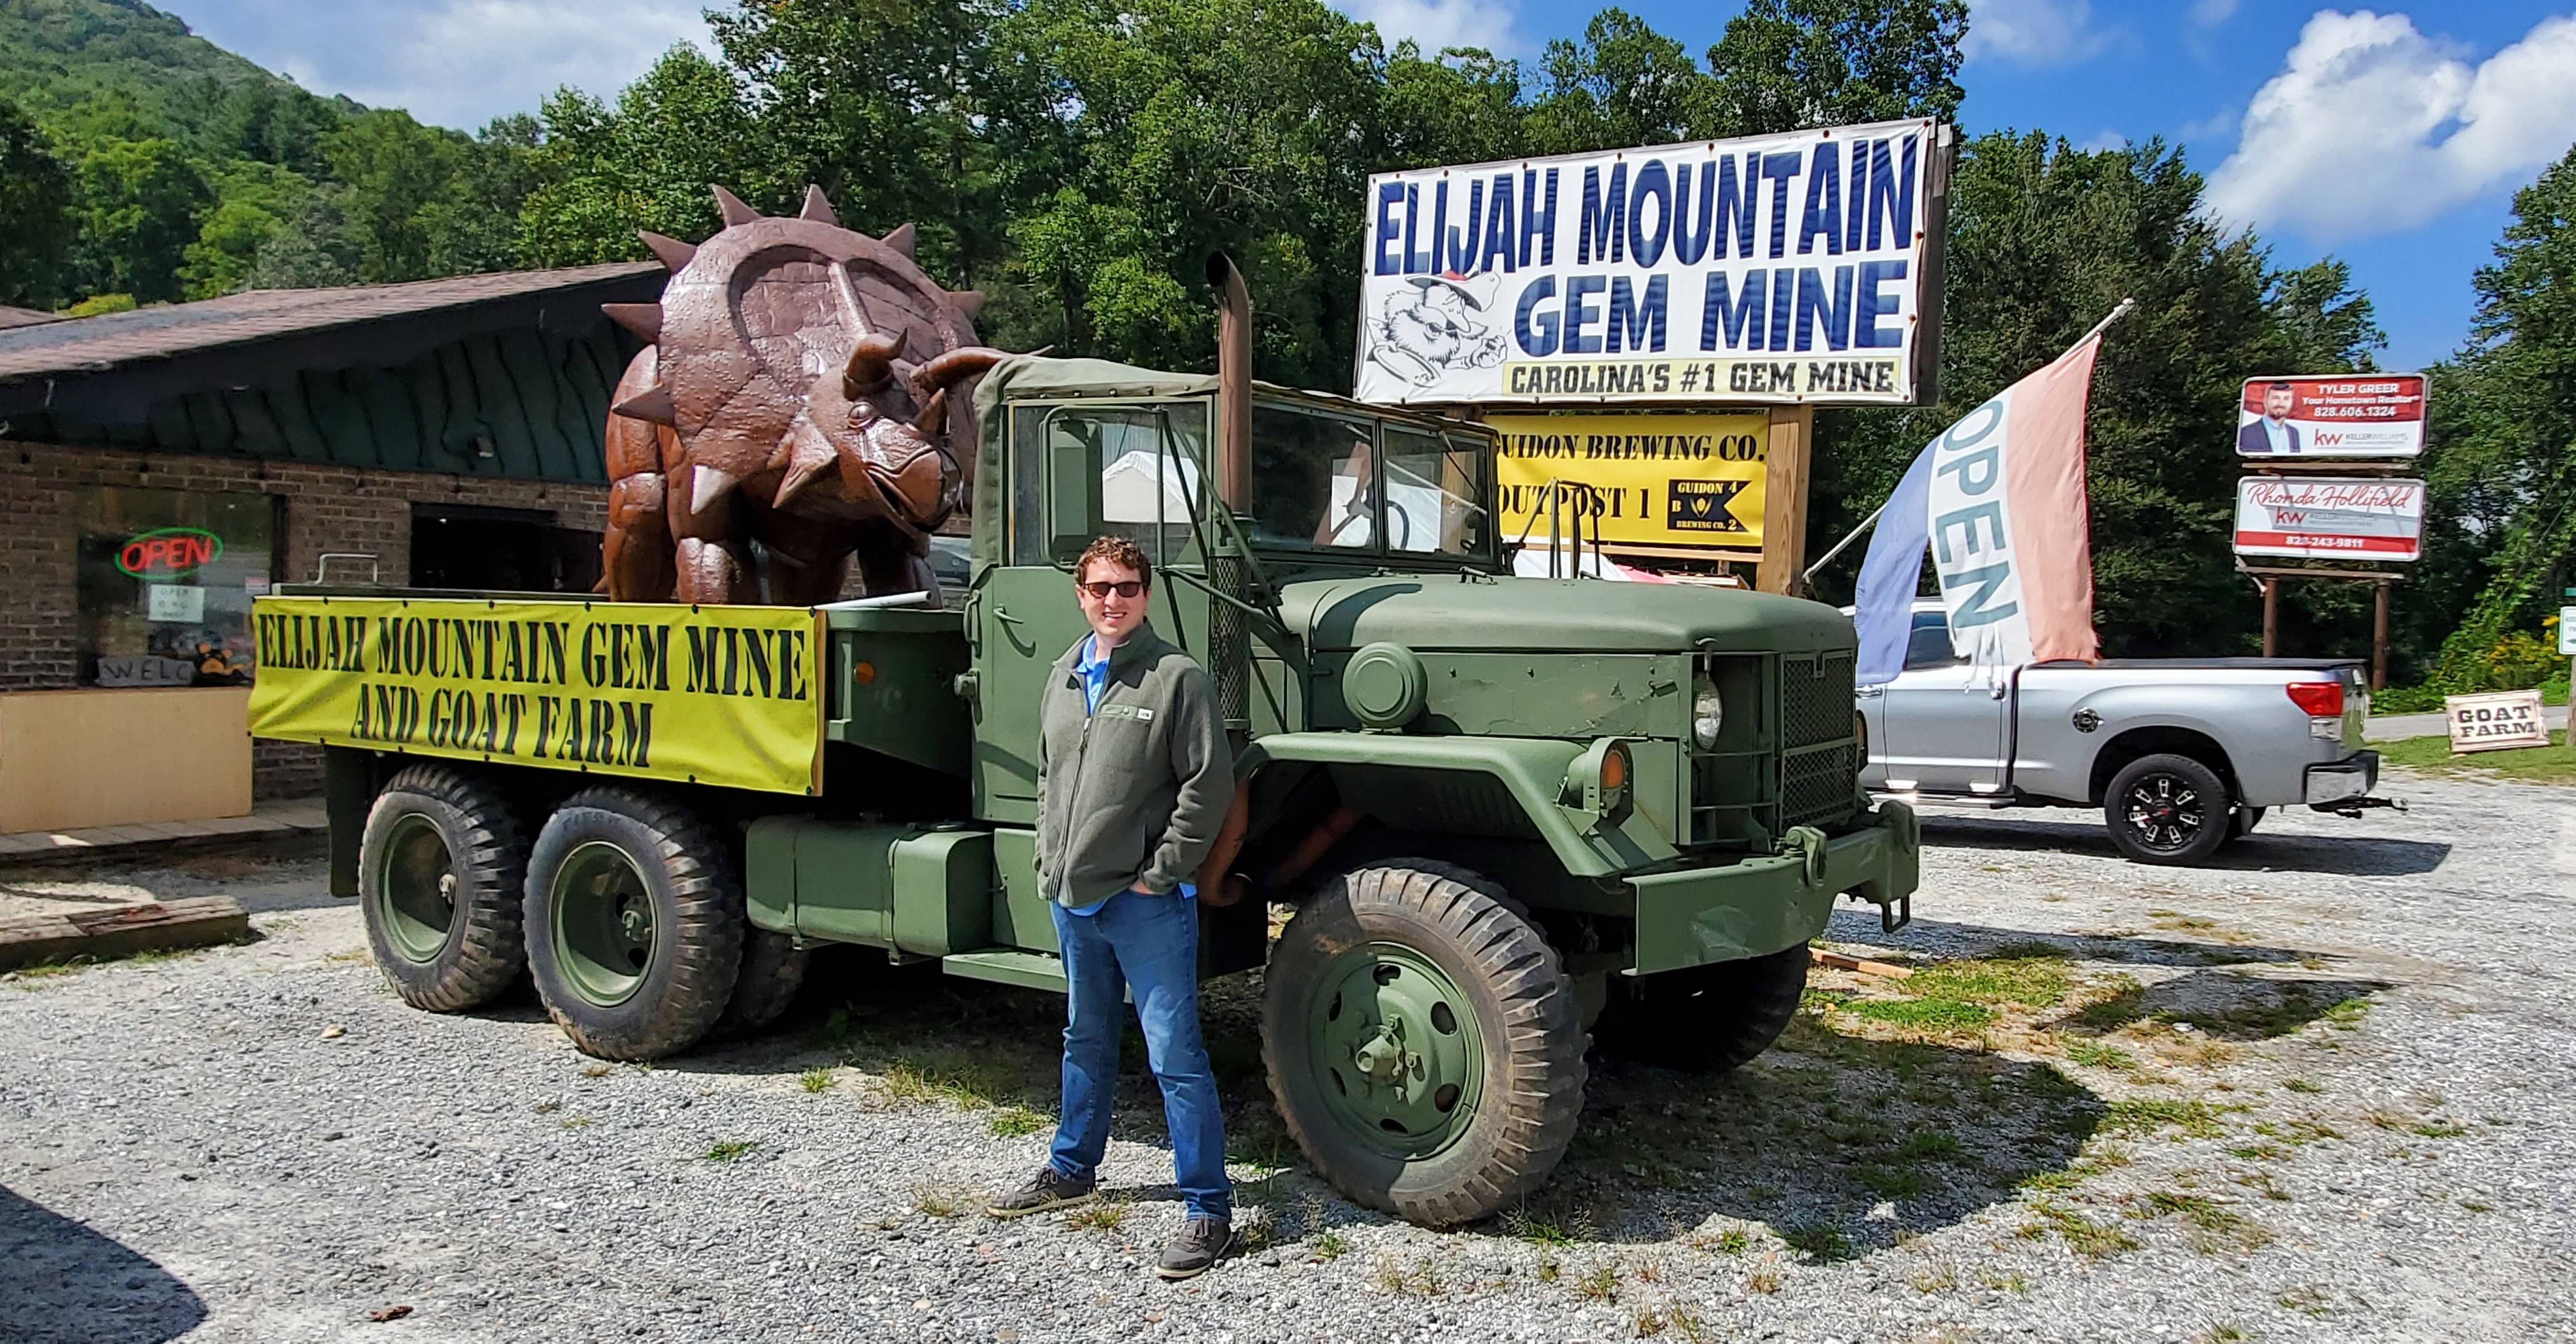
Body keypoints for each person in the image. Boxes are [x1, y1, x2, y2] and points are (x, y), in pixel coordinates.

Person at [985, 534, 1236, 1280]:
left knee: (1175, 1057)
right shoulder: (1065, 673)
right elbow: (1049, 773)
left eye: (1127, 587)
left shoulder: (1175, 678)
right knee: (1084, 1037)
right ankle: (1071, 1168)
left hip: (1143, 903)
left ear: (1147, 595)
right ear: (1080, 595)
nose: (1113, 600)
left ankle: (1208, 1209)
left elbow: (1208, 785)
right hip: (1075, 899)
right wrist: (1048, 856)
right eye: (1099, 588)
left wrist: (1162, 873)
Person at [2238, 380, 2301, 454]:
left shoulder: (2294, 433)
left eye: (2286, 399)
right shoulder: (2246, 433)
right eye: (2275, 398)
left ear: (2292, 402)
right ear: (2265, 401)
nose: (2281, 403)